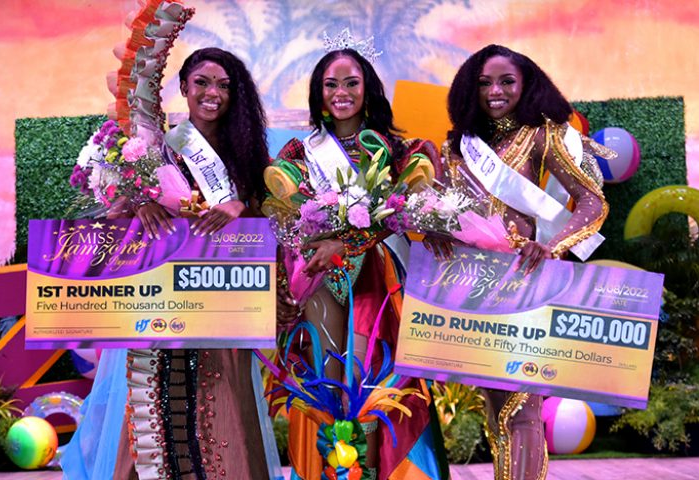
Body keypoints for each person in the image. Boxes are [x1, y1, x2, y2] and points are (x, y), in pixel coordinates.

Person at [62, 47, 281, 480]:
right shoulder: (154, 150)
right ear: (184, 87)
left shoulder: (250, 159)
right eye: (202, 82)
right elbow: (116, 218)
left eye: (223, 85)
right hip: (160, 306)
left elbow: (268, 231)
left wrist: (240, 206)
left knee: (224, 412)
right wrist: (139, 204)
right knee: (154, 413)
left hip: (222, 308)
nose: (212, 93)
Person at [272, 47, 448, 480]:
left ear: (367, 88)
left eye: (351, 82)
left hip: (379, 278)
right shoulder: (299, 151)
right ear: (318, 93)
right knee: (326, 382)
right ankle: (331, 473)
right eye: (330, 84)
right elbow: (281, 207)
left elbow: (407, 210)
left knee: (372, 384)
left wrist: (347, 243)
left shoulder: (396, 148)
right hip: (321, 278)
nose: (341, 92)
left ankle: (373, 473)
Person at [440, 44, 610, 480]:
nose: (494, 91)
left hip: (524, 285)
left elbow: (592, 201)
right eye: (484, 83)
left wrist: (553, 246)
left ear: (525, 84)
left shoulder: (541, 134)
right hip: (474, 287)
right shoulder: (458, 145)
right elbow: (443, 206)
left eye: (506, 81)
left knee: (522, 408)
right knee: (495, 409)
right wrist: (436, 229)